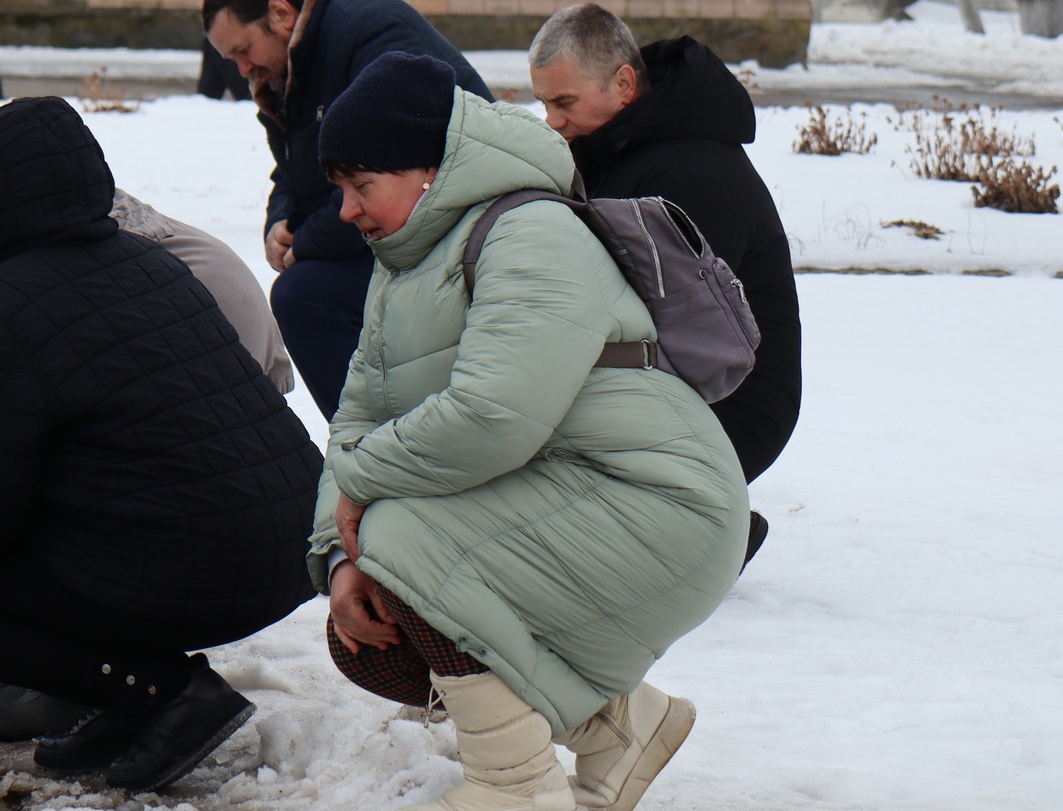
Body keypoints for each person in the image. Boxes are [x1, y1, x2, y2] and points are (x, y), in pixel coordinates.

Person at [313, 51, 746, 811]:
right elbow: (354, 420)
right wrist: (335, 557)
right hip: (563, 497)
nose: (346, 210)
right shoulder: (404, 265)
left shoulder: (531, 233)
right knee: (366, 629)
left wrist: (363, 497)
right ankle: (617, 726)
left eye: (361, 186)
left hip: (661, 503)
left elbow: (492, 418)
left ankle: (515, 788)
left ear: (428, 172)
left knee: (403, 541)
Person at [0, 98, 320, 791]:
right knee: (107, 508)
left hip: (201, 560)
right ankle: (129, 699)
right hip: (292, 540)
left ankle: (164, 693)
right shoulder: (147, 260)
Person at [528, 3, 802, 561]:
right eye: (543, 103)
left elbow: (674, 333)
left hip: (736, 398)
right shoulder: (619, 149)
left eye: (564, 103)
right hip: (689, 385)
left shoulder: (682, 173)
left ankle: (699, 530)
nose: (551, 120)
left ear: (623, 84)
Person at [202, 0, 489, 419]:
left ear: (280, 13)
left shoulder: (370, 34)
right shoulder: (292, 65)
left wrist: (309, 240)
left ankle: (376, 445)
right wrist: (281, 222)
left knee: (305, 296)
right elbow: (294, 169)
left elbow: (390, 167)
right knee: (304, 291)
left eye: (242, 50)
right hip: (391, 231)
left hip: (456, 235)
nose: (242, 69)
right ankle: (372, 441)